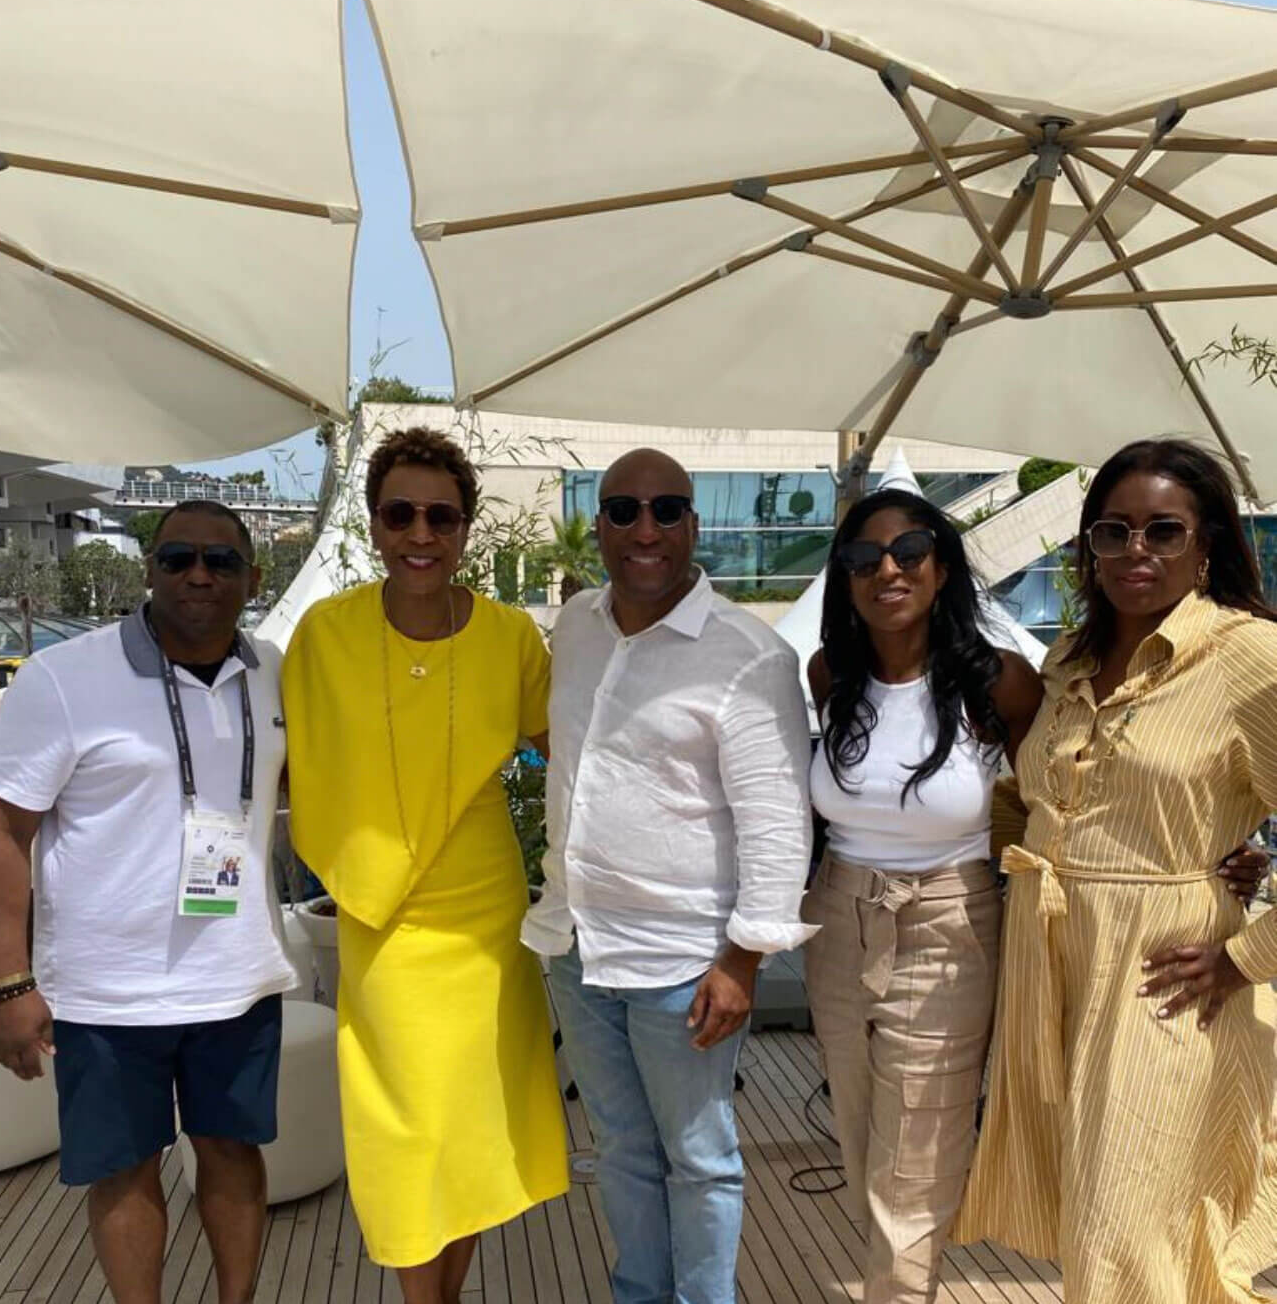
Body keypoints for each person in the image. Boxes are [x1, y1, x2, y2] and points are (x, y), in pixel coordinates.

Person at [954, 439, 1277, 1303]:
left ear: (1206, 543)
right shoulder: (1068, 660)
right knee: (1103, 1208)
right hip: (1054, 963)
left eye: (1164, 531)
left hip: (1163, 972)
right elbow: (1032, 802)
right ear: (1088, 549)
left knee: (1128, 1216)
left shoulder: (1249, 658)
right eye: (1114, 530)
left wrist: (1243, 955)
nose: (1138, 551)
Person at [522, 447, 816, 1304]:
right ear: (601, 527)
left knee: (701, 1159)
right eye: (621, 510)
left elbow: (776, 824)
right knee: (620, 1148)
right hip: (577, 943)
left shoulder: (747, 657)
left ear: (693, 524)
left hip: (686, 964)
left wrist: (743, 960)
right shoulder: (576, 623)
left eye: (665, 509)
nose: (643, 529)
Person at [282, 427, 568, 1304]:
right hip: (379, 916)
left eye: (440, 516)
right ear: (372, 523)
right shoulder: (323, 634)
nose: (420, 532)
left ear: (465, 529)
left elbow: (571, 758)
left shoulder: (514, 636)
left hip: (482, 910)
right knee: (403, 1129)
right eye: (400, 512)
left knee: (472, 1125)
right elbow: (285, 766)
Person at [0, 500, 297, 1304]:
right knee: (123, 1169)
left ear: (252, 580)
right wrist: (8, 983)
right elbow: (2, 831)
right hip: (102, 991)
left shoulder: (273, 672)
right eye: (177, 558)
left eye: (221, 561)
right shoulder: (63, 678)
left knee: (232, 1150)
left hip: (235, 980)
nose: (199, 573)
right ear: (148, 569)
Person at [802, 488, 1042, 1304]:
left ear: (941, 568)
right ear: (846, 577)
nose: (888, 570)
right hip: (836, 916)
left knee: (918, 1152)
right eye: (865, 558)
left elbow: (1067, 795)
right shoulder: (829, 673)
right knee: (864, 1136)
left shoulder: (1000, 682)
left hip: (950, 919)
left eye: (908, 551)